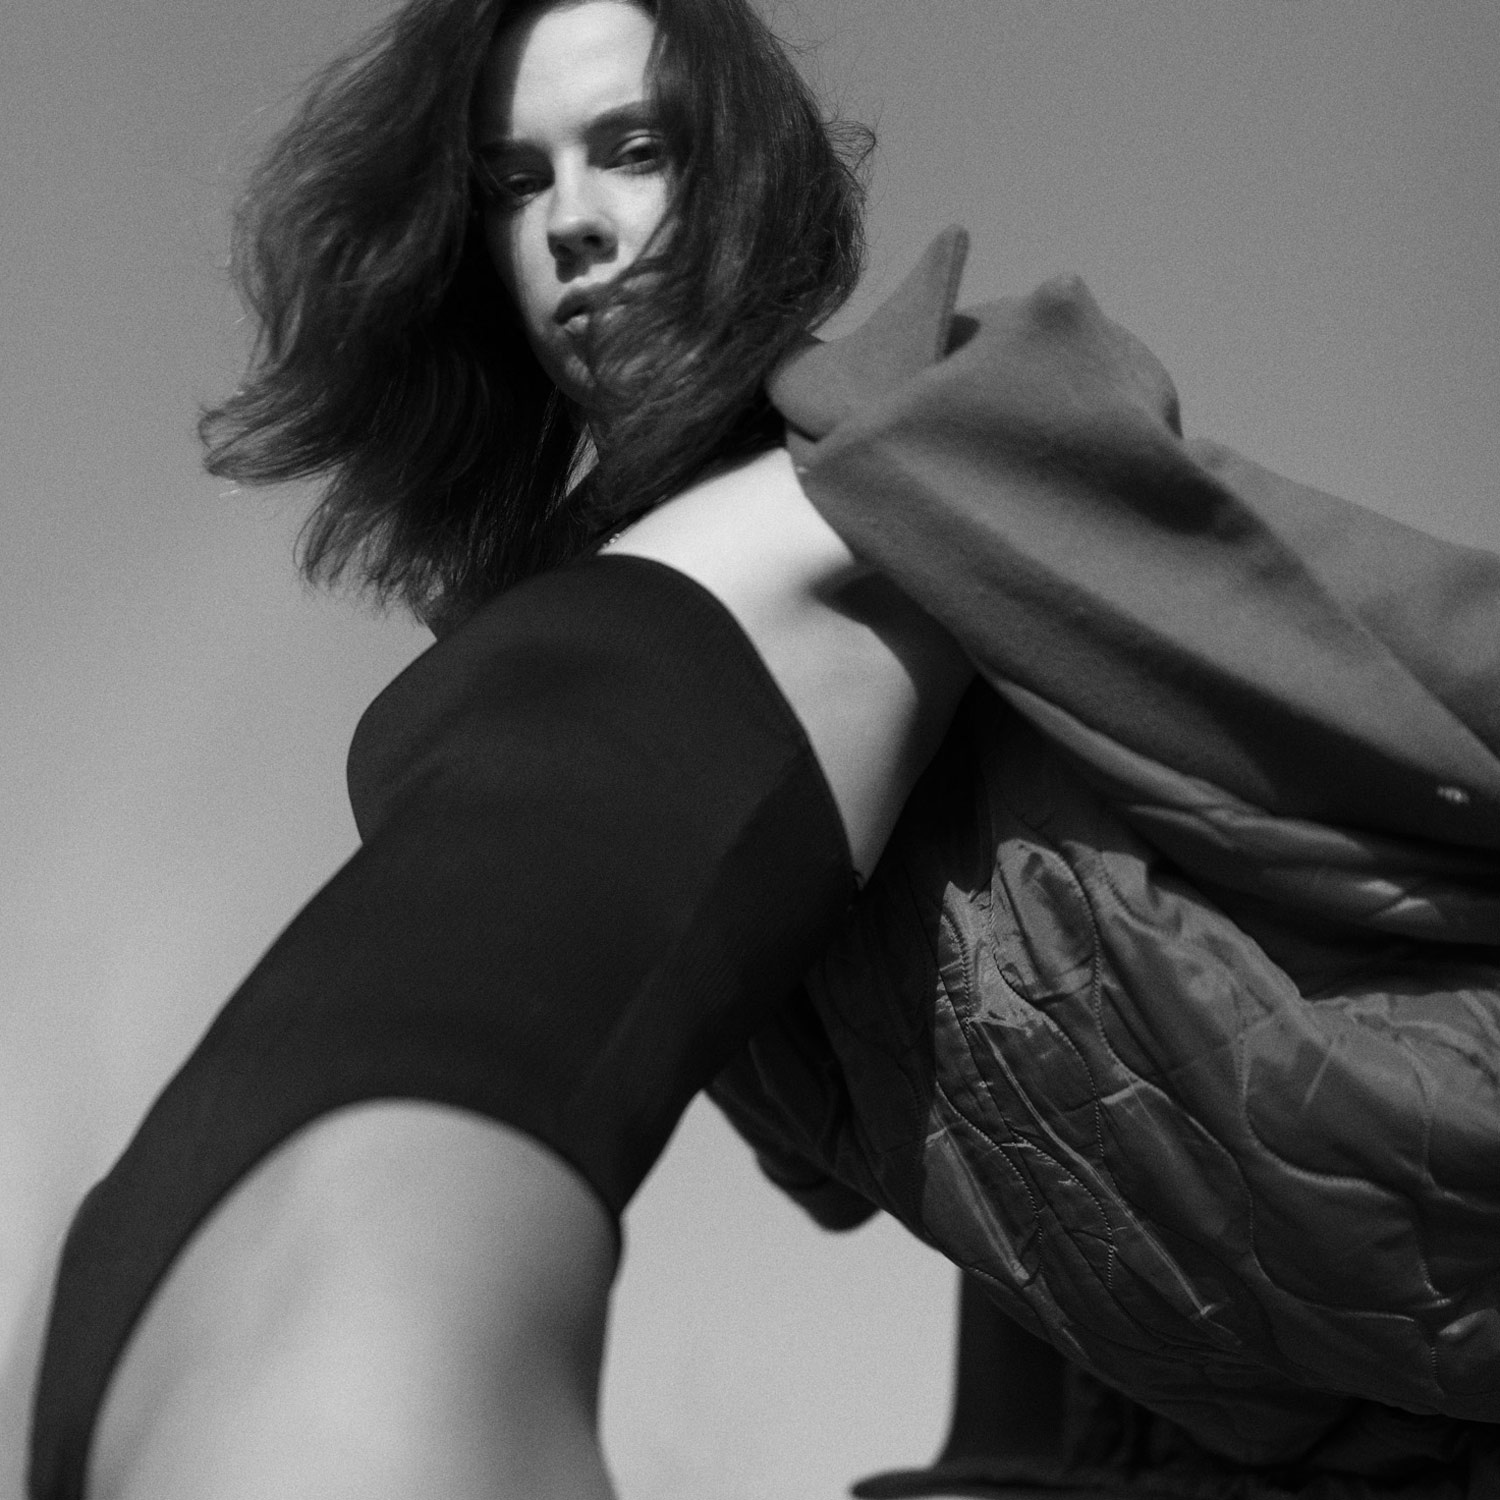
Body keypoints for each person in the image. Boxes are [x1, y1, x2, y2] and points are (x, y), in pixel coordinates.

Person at [28, 2, 1500, 1499]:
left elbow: (1391, 649)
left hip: (384, 1285)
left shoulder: (913, 439)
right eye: (517, 182)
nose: (573, 223)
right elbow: (935, 1118)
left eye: (635, 150)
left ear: (736, 176)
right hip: (161, 1280)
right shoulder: (549, 583)